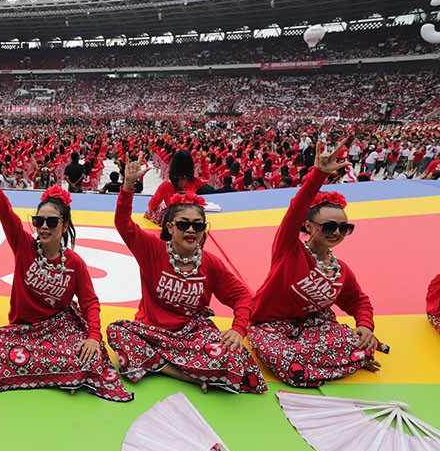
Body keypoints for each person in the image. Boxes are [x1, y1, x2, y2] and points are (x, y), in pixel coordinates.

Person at [0, 141, 132, 402]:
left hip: (60, 330)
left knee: (91, 351)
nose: (43, 226)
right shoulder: (22, 245)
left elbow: (89, 303)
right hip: (22, 331)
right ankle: (66, 374)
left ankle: (58, 370)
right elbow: (4, 209)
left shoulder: (74, 263)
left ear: (64, 226)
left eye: (51, 221)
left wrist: (92, 336)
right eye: (39, 220)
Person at [107, 157, 266, 394]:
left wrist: (237, 329)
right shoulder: (152, 249)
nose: (190, 230)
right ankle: (181, 373)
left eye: (197, 225)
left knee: (236, 357)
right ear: (170, 227)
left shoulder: (210, 264)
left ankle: (154, 363)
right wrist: (128, 187)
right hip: (151, 332)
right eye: (183, 225)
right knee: (116, 331)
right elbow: (123, 224)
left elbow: (244, 298)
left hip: (192, 335)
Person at [247, 138, 383, 388]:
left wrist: (364, 326)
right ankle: (345, 360)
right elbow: (296, 210)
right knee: (285, 357)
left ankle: (339, 357)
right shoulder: (288, 249)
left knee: (358, 340)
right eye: (329, 226)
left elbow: (358, 300)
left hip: (314, 327)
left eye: (344, 228)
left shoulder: (340, 271)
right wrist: (318, 175)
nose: (337, 233)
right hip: (270, 327)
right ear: (308, 226)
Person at [145, 150, 205, 225]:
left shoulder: (166, 185)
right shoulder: (195, 181)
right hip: (191, 217)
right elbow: (206, 178)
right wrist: (203, 162)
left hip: (173, 220)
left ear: (173, 165)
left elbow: (152, 205)